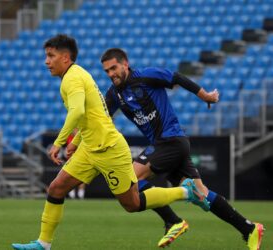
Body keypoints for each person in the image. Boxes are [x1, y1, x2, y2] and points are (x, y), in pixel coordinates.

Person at [11, 34, 209, 250]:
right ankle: (43, 243)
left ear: (66, 58)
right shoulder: (74, 76)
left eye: (51, 56)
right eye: (46, 56)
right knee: (56, 188)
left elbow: (77, 112)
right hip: (90, 147)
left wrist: (58, 142)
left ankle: (186, 192)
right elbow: (93, 114)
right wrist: (76, 141)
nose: (46, 61)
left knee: (132, 204)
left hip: (109, 149)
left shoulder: (73, 78)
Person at [99, 48, 265, 250]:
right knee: (201, 195)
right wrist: (73, 141)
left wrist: (205, 96)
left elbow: (177, 77)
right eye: (107, 71)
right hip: (167, 144)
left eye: (113, 68)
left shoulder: (146, 75)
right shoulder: (114, 93)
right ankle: (248, 228)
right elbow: (99, 117)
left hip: (171, 140)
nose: (111, 74)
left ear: (125, 63)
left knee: (132, 178)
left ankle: (173, 221)